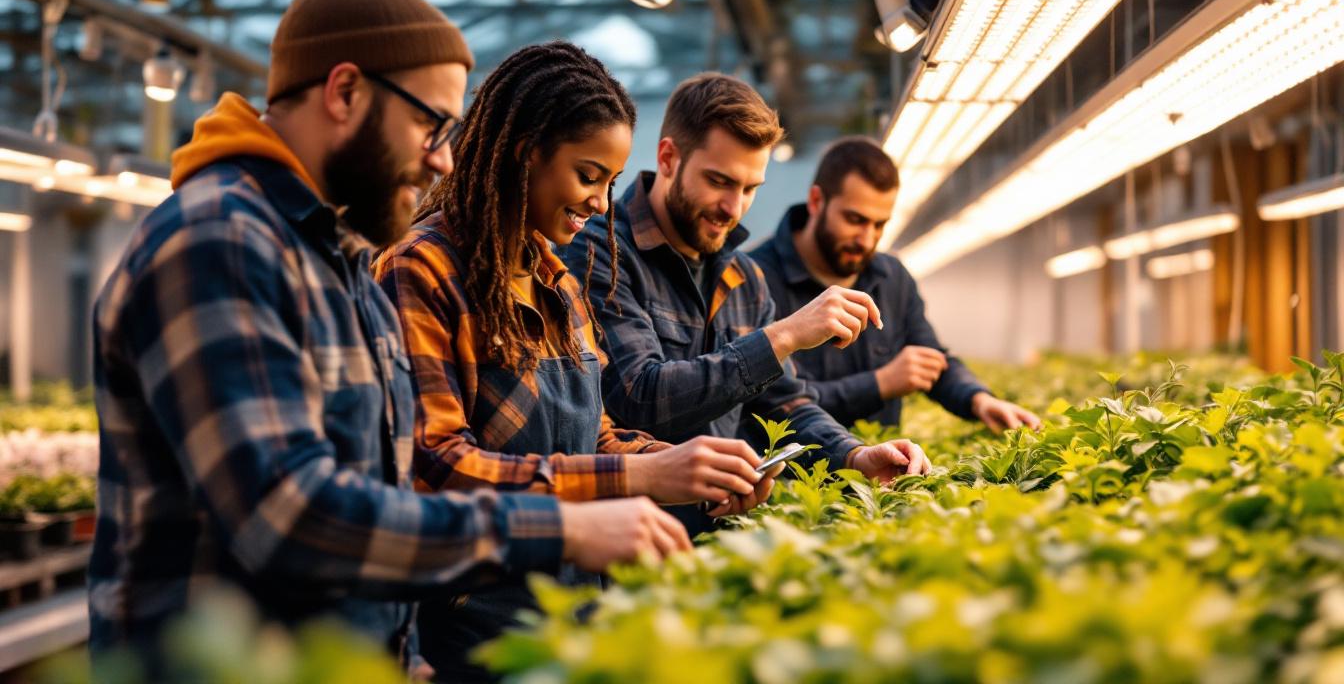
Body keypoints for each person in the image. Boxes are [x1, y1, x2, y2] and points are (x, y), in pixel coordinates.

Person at [89, 0, 688, 674]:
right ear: (344, 91)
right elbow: (292, 515)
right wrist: (561, 524)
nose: (441, 157)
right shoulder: (220, 241)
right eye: (429, 124)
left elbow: (383, 494)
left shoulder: (338, 259)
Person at [373, 42, 773, 681]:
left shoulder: (555, 279)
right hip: (471, 628)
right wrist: (643, 479)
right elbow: (440, 467)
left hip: (572, 611)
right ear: (524, 152)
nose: (600, 204)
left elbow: (597, 432)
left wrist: (684, 467)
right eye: (588, 175)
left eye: (611, 182)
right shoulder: (423, 269)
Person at [558, 73, 932, 536]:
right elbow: (636, 397)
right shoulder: (599, 253)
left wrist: (853, 455)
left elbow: (784, 402)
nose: (733, 207)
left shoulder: (745, 278)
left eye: (750, 188)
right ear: (669, 158)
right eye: (719, 181)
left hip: (718, 538)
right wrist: (782, 337)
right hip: (624, 546)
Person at [749, 136, 1040, 432]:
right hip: (790, 475)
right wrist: (881, 384)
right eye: (855, 219)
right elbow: (768, 403)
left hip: (880, 476)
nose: (867, 239)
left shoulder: (891, 278)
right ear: (816, 201)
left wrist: (979, 400)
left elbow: (930, 359)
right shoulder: (754, 279)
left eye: (879, 225)